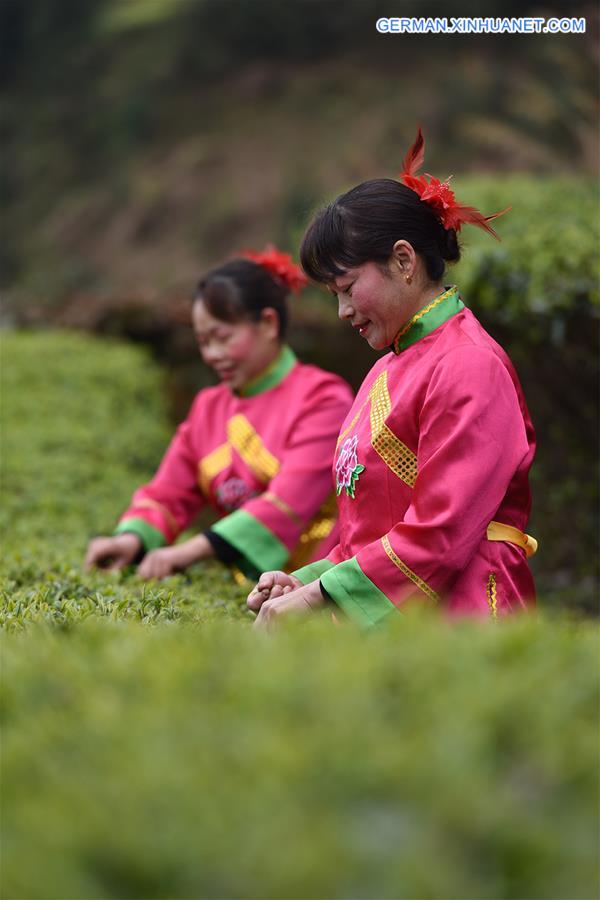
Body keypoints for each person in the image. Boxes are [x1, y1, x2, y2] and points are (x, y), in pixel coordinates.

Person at [248, 129, 537, 629]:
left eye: (348, 287)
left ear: (404, 261)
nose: (342, 311)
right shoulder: (390, 365)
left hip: (467, 615)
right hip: (411, 619)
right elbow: (369, 533)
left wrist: (320, 596)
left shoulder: (470, 364)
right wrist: (309, 581)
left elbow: (440, 533)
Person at [84, 247, 354, 580]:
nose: (212, 354)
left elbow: (286, 505)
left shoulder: (323, 399)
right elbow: (169, 492)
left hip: (317, 588)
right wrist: (132, 538)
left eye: (222, 338)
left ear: (268, 323)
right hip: (246, 591)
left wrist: (186, 552)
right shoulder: (208, 407)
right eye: (203, 341)